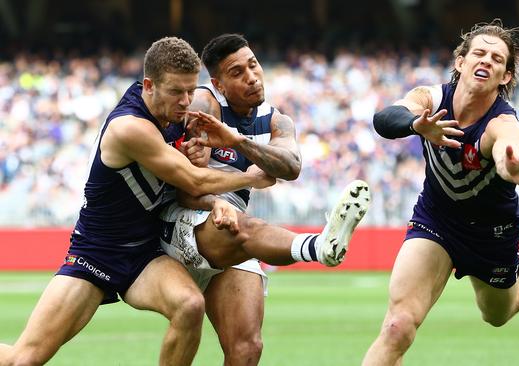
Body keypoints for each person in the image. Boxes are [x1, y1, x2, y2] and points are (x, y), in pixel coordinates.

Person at [0, 37, 279, 366]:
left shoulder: (176, 112)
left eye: (191, 91)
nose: (186, 101)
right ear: (149, 86)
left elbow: (190, 178)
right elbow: (192, 180)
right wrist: (252, 177)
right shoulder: (128, 128)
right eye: (177, 92)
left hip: (145, 253)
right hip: (98, 253)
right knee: (24, 360)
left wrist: (205, 178)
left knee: (189, 305)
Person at [362, 20, 519, 365]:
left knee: (498, 313)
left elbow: (506, 149)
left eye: (498, 60)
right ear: (461, 62)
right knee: (397, 326)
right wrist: (415, 124)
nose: (486, 61)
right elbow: (384, 118)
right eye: (479, 53)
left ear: (505, 78)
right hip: (436, 220)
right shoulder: (431, 98)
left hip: (490, 234)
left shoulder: (504, 123)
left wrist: (511, 167)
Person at [159, 33, 371, 365]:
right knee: (245, 226)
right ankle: (318, 247)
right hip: (186, 222)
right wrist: (215, 198)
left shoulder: (276, 120)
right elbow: (185, 188)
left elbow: (290, 167)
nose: (251, 77)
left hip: (234, 232)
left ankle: (317, 245)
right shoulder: (206, 104)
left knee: (247, 349)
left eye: (253, 65)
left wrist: (236, 141)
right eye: (237, 72)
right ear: (219, 84)